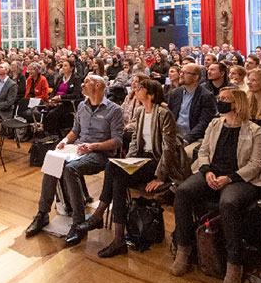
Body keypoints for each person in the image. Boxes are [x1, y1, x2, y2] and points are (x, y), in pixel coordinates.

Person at [171, 87, 261, 283]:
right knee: (183, 192)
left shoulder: (253, 130)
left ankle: (234, 263)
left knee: (228, 203)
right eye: (220, 98)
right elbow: (203, 151)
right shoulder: (215, 124)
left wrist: (230, 178)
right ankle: (184, 248)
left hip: (240, 177)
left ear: (237, 104)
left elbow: (255, 164)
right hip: (212, 173)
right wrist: (206, 172)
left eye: (224, 99)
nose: (220, 101)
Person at [77, 78, 189, 258]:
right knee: (118, 176)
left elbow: (168, 148)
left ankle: (99, 215)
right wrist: (127, 163)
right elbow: (136, 142)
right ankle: (119, 238)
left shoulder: (163, 113)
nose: (136, 89)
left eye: (141, 88)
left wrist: (161, 176)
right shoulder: (139, 111)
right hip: (142, 160)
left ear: (151, 95)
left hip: (158, 161)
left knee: (113, 168)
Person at [25, 75, 123, 247]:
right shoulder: (82, 106)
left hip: (101, 153)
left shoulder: (114, 110)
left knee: (71, 169)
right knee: (52, 160)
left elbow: (117, 141)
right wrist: (64, 141)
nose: (83, 85)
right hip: (78, 149)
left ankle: (78, 222)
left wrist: (93, 146)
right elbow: (75, 130)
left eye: (87, 82)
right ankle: (42, 213)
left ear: (98, 85)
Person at [168, 63, 217, 144]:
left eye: (185, 73)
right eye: (181, 72)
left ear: (195, 77)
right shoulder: (175, 93)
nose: (181, 75)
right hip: (174, 135)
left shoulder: (206, 96)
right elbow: (169, 116)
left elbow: (204, 123)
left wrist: (186, 139)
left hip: (194, 137)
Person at [42, 60, 82, 136]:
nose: (63, 68)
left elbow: (76, 94)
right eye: (63, 66)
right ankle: (45, 133)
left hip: (67, 103)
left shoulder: (76, 79)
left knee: (52, 113)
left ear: (72, 68)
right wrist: (51, 99)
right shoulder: (59, 78)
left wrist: (60, 97)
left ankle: (53, 134)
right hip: (56, 101)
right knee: (44, 111)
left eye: (66, 66)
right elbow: (54, 91)